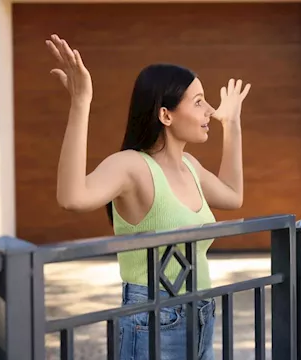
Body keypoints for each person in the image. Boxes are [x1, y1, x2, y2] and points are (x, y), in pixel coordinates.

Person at [47, 34, 250, 360]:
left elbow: (233, 195)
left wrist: (233, 123)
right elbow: (72, 196)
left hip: (201, 312)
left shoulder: (189, 165)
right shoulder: (131, 166)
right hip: (155, 317)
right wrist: (81, 102)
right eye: (198, 102)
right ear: (165, 115)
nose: (210, 110)